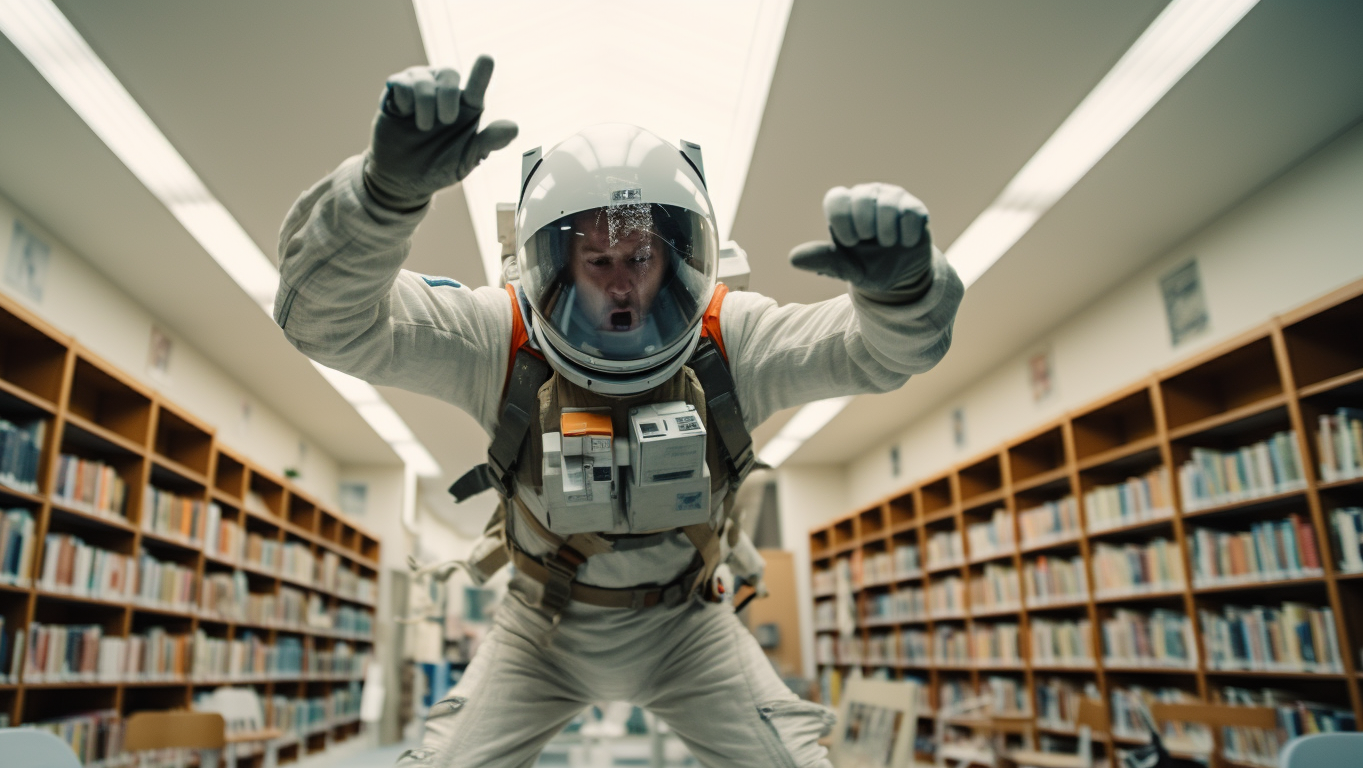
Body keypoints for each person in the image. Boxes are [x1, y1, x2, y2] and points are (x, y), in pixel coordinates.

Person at [276, 55, 963, 768]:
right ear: (554, 266)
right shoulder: (499, 338)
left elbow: (876, 354)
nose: (620, 287)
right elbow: (325, 323)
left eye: (640, 257)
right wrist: (379, 199)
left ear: (678, 258)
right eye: (595, 261)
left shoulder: (732, 341)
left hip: (688, 626)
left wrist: (906, 295)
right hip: (541, 630)